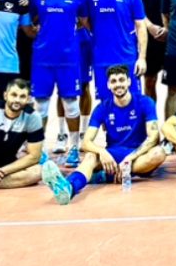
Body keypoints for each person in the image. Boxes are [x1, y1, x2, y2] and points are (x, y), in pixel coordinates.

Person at [41, 66, 166, 205]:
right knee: (90, 156)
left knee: (159, 153)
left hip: (138, 158)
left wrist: (130, 158)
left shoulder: (145, 102)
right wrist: (102, 152)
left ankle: (105, 176)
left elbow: (153, 137)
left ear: (129, 82)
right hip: (113, 155)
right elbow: (86, 142)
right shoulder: (102, 108)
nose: (118, 84)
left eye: (121, 80)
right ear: (108, 85)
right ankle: (69, 187)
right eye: (113, 81)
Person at [29, 0, 85, 167]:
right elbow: (32, 19)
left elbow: (83, 20)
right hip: (42, 58)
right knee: (41, 106)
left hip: (69, 58)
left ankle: (74, 148)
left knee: (71, 105)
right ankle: (40, 150)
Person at [81, 0, 148, 101]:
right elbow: (85, 21)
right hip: (101, 60)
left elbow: (141, 27)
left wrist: (142, 58)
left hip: (127, 58)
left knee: (132, 101)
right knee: (106, 103)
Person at [58, 0, 98, 146]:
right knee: (61, 87)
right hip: (60, 42)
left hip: (83, 41)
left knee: (84, 85)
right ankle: (61, 134)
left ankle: (84, 134)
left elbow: (94, 7)